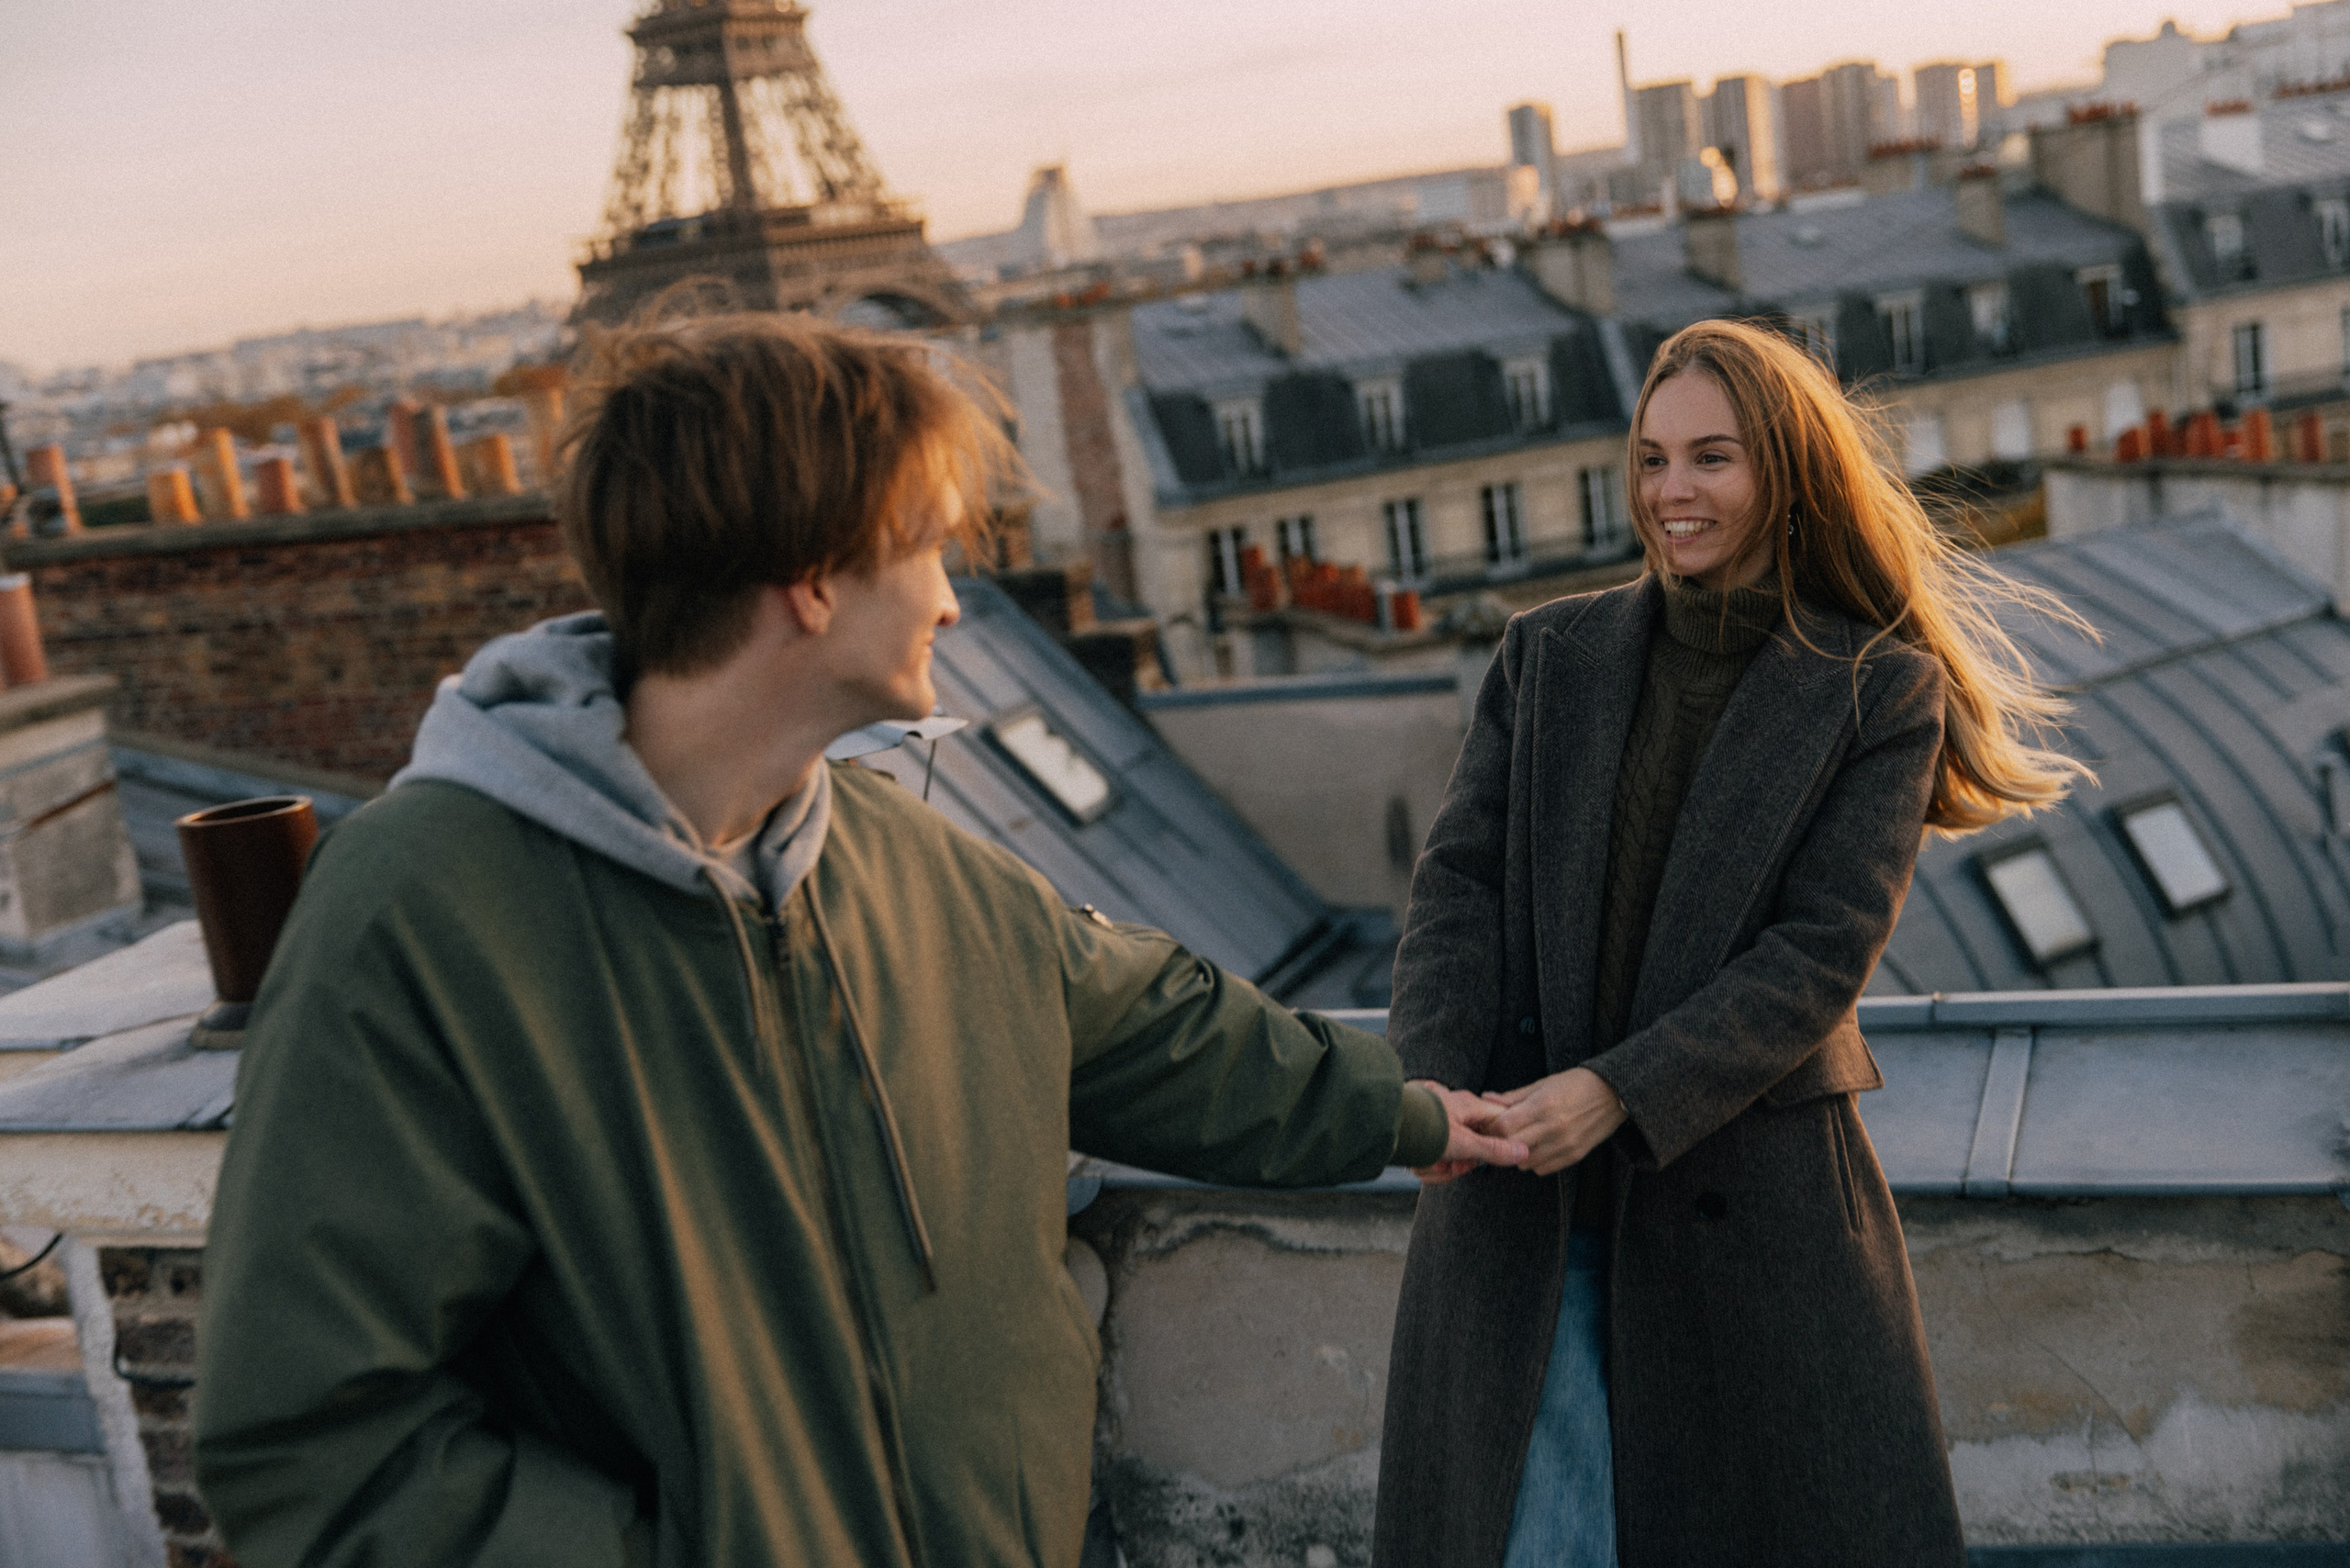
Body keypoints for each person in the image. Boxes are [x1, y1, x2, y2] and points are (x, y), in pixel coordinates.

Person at [191, 312, 1525, 1568]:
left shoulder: (896, 857)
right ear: (815, 580)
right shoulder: (420, 915)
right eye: (931, 545)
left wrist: (1407, 1116)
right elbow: (314, 1441)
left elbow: (1146, 1026)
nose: (954, 599)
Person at [1372, 318, 2087, 1568]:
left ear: (1788, 473)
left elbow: (1817, 956)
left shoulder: (1879, 686)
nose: (1672, 494)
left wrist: (1618, 1092)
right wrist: (1432, 1085)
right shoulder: (1549, 655)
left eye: (1712, 458)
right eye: (1652, 460)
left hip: (1752, 1218)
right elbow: (1460, 888)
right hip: (1523, 1208)